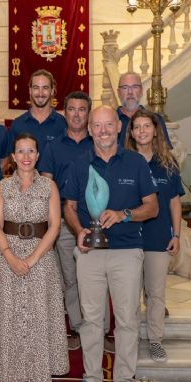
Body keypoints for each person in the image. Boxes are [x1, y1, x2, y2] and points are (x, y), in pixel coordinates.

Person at [63, 106, 158, 382]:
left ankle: (125, 380)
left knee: (127, 319)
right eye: (97, 126)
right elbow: (69, 205)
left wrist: (124, 214)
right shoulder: (79, 165)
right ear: (89, 129)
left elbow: (152, 207)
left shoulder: (136, 163)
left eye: (108, 125)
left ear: (119, 127)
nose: (103, 131)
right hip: (90, 253)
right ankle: (92, 378)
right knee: (91, 319)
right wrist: (78, 230)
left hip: (128, 251)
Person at [0, 133, 68, 382]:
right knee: (11, 317)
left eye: (31, 151)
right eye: (21, 151)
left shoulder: (49, 186)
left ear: (37, 156)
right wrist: (9, 255)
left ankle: (38, 378)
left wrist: (31, 259)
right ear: (13, 157)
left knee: (39, 317)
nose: (26, 156)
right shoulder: (2, 187)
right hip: (8, 257)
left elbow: (54, 226)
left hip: (41, 256)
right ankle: (13, 377)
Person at [40, 91, 114, 353]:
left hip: (97, 223)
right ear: (65, 113)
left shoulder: (99, 143)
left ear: (89, 114)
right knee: (71, 279)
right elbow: (46, 184)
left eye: (82, 110)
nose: (76, 114)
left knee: (99, 278)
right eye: (71, 109)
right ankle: (78, 327)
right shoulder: (53, 146)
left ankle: (102, 330)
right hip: (64, 223)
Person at [125, 108, 184, 363]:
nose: (141, 131)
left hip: (158, 238)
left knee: (156, 294)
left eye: (146, 126)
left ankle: (156, 340)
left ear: (154, 129)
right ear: (131, 132)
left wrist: (177, 235)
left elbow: (174, 203)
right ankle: (130, 341)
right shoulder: (124, 161)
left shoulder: (167, 163)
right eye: (136, 127)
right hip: (128, 239)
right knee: (128, 295)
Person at [7, 69, 67, 163]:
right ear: (30, 90)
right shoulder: (17, 125)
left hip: (55, 178)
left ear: (52, 91)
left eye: (45, 88)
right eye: (36, 87)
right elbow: (11, 158)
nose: (40, 93)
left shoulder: (63, 124)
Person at [116, 72, 171, 149]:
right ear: (118, 92)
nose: (130, 92)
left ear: (141, 91)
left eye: (135, 87)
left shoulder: (156, 119)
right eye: (125, 88)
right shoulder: (110, 121)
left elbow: (164, 153)